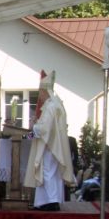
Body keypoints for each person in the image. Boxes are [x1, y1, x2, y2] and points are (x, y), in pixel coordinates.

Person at [24, 71, 74, 211]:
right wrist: (30, 133)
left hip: (49, 146)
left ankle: (52, 201)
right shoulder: (55, 104)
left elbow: (44, 129)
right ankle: (43, 202)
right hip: (51, 145)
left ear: (45, 91)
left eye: (40, 91)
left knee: (47, 172)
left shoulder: (51, 106)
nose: (39, 95)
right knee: (49, 172)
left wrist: (33, 126)